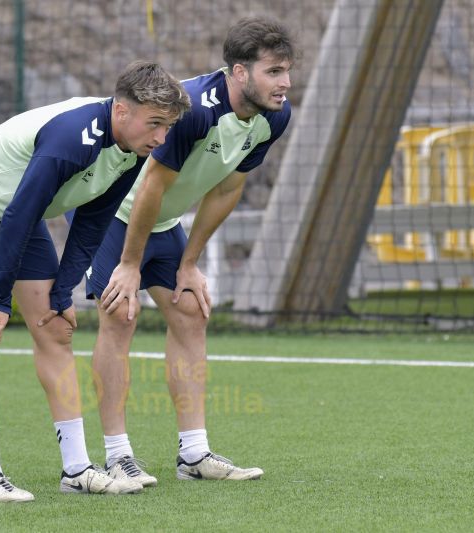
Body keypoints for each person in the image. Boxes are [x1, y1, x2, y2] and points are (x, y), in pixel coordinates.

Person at [0, 60, 190, 502]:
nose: (162, 138)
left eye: (168, 127)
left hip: (20, 212)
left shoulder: (133, 148)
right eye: (155, 124)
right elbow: (19, 213)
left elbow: (92, 221)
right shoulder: (72, 138)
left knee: (56, 328)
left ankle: (77, 468)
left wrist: (62, 291)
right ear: (122, 110)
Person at [86, 18, 296, 486]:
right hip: (115, 215)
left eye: (286, 71)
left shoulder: (275, 117)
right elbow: (150, 188)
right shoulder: (194, 110)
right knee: (120, 316)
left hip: (162, 221)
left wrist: (189, 263)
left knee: (190, 312)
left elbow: (227, 189)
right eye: (274, 71)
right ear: (239, 72)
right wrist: (129, 264)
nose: (285, 83)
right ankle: (117, 455)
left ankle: (194, 455)